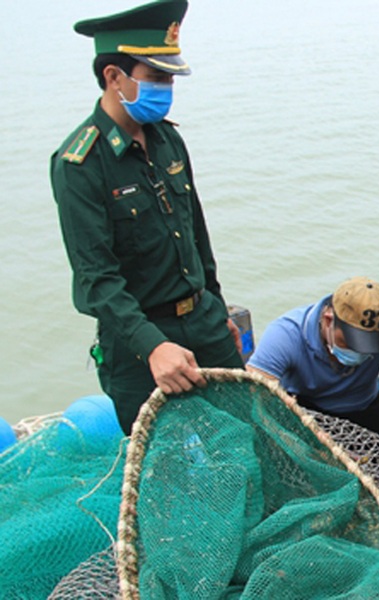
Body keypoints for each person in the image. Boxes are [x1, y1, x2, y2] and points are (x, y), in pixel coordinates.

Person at [51, 0, 243, 434]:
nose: (166, 87)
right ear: (113, 76)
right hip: (138, 340)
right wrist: (154, 347)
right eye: (156, 77)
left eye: (170, 78)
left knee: (244, 438)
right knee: (162, 460)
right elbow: (96, 278)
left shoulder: (167, 140)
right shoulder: (80, 163)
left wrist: (216, 307)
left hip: (204, 321)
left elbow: (196, 236)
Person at [245, 277, 379, 468]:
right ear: (328, 320)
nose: (360, 352)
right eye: (350, 342)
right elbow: (254, 398)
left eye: (370, 345)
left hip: (362, 408)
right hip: (307, 417)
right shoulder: (285, 335)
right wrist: (314, 443)